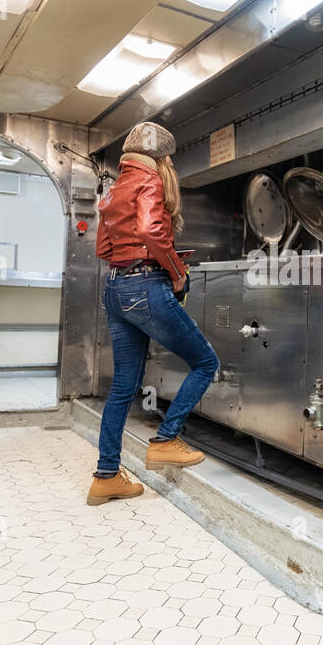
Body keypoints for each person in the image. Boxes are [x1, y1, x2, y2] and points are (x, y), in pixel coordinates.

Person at [87, 121, 219, 505]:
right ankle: (165, 439)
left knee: (123, 387)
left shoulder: (114, 190)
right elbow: (150, 231)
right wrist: (176, 273)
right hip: (146, 286)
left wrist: (135, 264)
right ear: (160, 159)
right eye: (170, 158)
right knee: (206, 363)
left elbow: (103, 248)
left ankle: (106, 477)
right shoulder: (152, 182)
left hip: (114, 288)